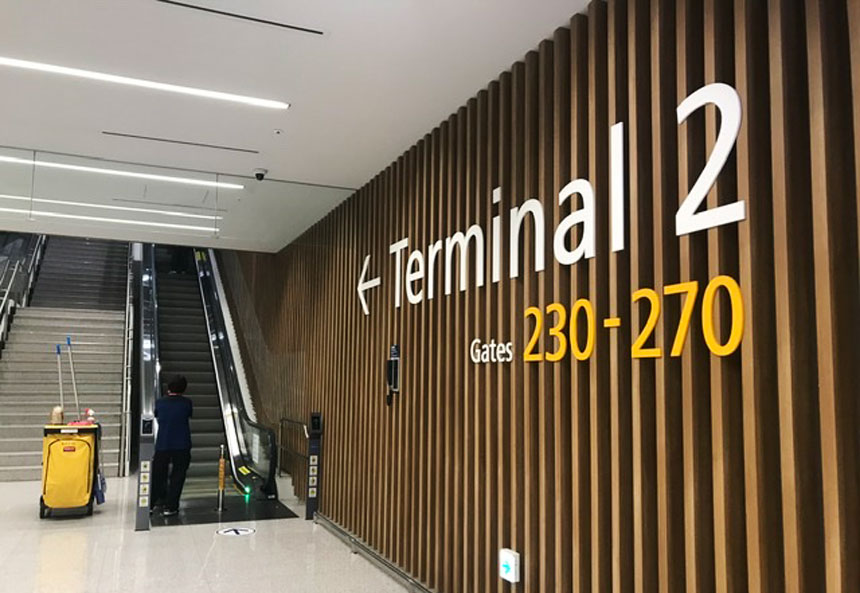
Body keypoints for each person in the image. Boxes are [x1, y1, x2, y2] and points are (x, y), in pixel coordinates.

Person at [151, 374, 193, 517]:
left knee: (158, 475)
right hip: (182, 444)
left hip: (163, 443)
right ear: (184, 388)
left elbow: (157, 415)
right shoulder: (187, 403)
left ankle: (153, 503)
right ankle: (171, 506)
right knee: (178, 476)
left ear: (168, 387)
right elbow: (189, 415)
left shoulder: (160, 403)